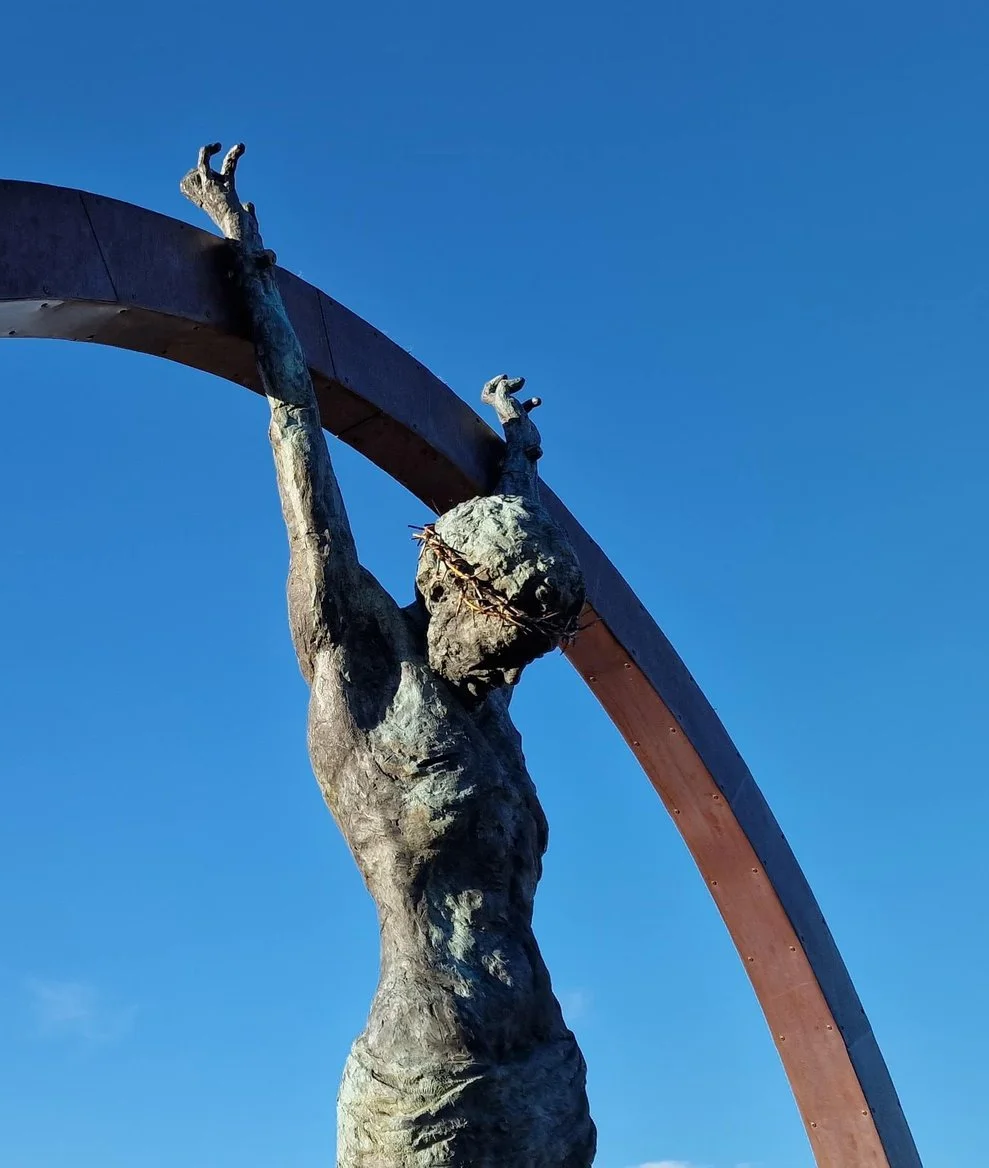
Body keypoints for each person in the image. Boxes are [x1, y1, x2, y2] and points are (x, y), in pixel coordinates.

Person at [182, 144, 597, 1167]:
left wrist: (517, 457)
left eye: (531, 657)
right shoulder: (359, 670)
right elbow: (301, 448)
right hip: (429, 1087)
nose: (511, 677)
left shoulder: (485, 698)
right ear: (449, 588)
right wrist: (248, 261)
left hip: (544, 1069)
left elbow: (515, 531)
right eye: (508, 645)